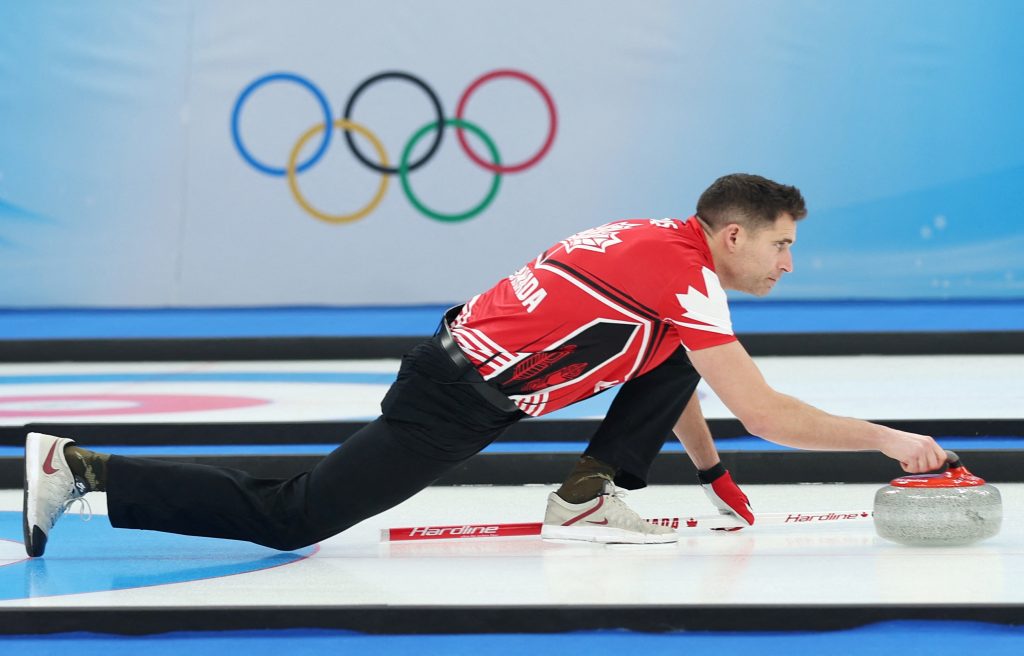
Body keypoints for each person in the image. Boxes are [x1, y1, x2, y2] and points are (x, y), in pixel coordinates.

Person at [23, 173, 947, 557]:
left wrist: (708, 470)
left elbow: (671, 368)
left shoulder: (666, 250)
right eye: (782, 246)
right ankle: (81, 469)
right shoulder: (684, 273)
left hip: (462, 366)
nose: (789, 263)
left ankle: (589, 489)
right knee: (296, 515)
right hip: (452, 399)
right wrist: (889, 440)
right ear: (734, 234)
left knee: (674, 356)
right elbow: (768, 412)